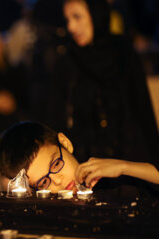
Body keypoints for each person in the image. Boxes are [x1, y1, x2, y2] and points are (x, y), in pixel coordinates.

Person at [43, 0, 159, 166]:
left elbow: (142, 113)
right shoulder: (66, 60)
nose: (71, 27)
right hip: (83, 166)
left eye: (77, 17)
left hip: (129, 163)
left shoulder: (123, 53)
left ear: (96, 13)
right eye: (67, 20)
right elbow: (56, 119)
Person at [0, 121, 159, 193]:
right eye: (44, 182)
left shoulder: (115, 182)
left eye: (55, 164)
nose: (57, 180)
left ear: (65, 143)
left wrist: (124, 167)